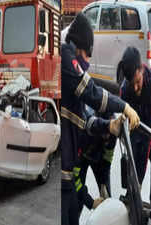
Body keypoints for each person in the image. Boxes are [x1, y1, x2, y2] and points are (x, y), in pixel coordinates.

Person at [61, 12, 140, 225]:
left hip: (70, 170)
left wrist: (104, 187)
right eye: (88, 55)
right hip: (69, 169)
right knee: (71, 211)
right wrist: (89, 200)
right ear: (79, 47)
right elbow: (92, 93)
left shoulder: (105, 134)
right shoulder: (66, 57)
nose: (87, 62)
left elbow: (91, 128)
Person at [119, 46, 151, 202]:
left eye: (138, 82)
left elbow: (150, 139)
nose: (135, 88)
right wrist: (133, 184)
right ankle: (133, 196)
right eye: (131, 84)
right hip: (139, 128)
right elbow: (128, 133)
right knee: (133, 158)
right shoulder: (125, 88)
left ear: (142, 69)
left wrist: (139, 180)